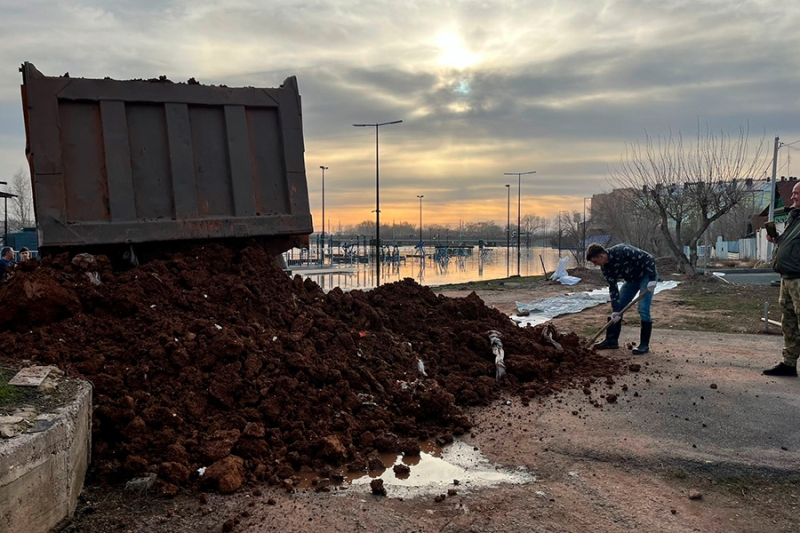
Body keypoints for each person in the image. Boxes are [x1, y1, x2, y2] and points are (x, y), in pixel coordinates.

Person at [586, 243, 658, 354]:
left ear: (601, 256)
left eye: (595, 262)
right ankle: (611, 341)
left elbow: (649, 258)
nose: (595, 265)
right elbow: (613, 288)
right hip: (631, 281)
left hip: (646, 276)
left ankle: (644, 345)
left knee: (643, 308)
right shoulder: (606, 268)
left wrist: (652, 278)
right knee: (619, 308)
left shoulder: (622, 250)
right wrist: (615, 310)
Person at [764, 181, 800, 377]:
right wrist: (777, 239)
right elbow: (792, 244)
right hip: (787, 278)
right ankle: (789, 363)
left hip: (799, 278)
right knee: (789, 322)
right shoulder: (793, 217)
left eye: (797, 194)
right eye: (793, 193)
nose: (793, 197)